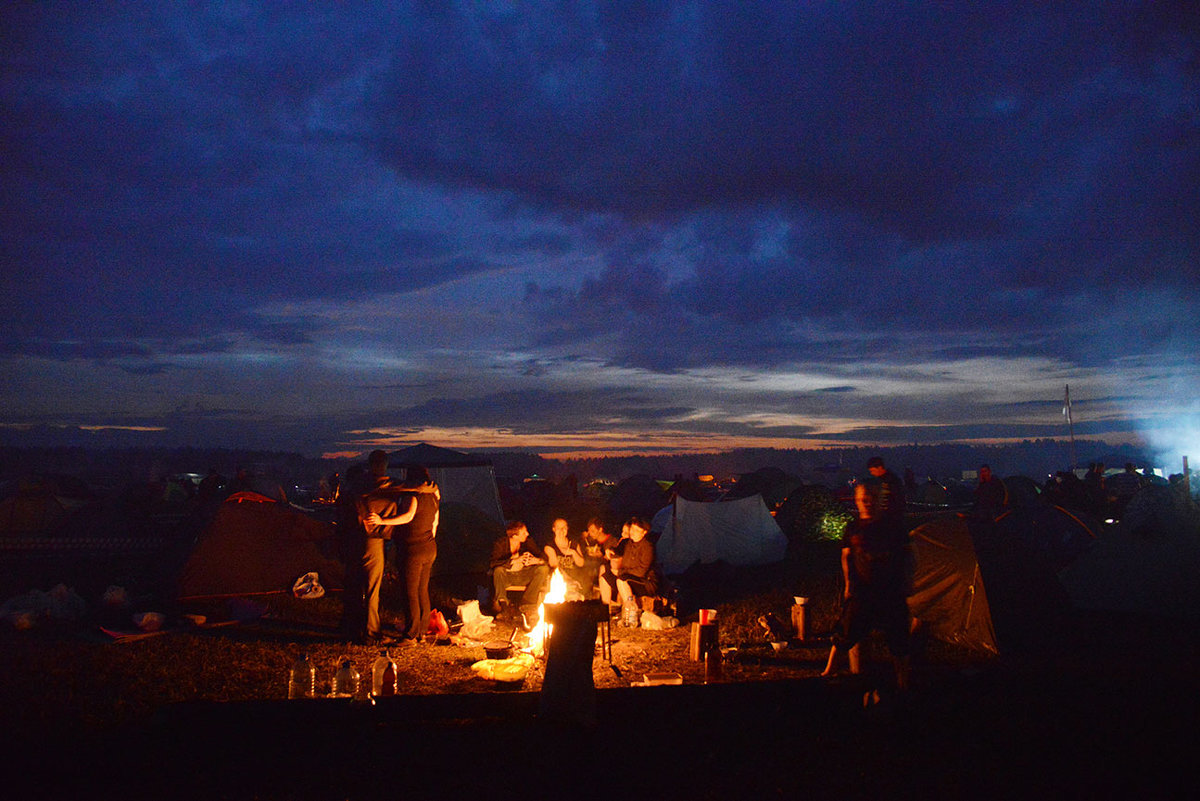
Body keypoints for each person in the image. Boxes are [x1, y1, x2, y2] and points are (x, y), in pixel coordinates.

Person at [821, 481, 911, 695]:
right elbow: (846, 556)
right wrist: (849, 584)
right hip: (863, 592)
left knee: (898, 639)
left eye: (871, 498)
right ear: (857, 500)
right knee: (846, 631)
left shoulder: (893, 527)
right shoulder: (853, 528)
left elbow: (909, 555)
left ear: (880, 500)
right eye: (862, 499)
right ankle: (828, 671)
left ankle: (904, 683)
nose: (866, 503)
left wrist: (909, 581)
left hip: (891, 591)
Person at [339, 450, 410, 644]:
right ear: (384, 465)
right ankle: (371, 633)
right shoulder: (387, 485)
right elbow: (413, 488)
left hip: (352, 541)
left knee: (353, 585)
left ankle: (350, 629)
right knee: (372, 588)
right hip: (372, 540)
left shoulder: (356, 484)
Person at [371, 465, 439, 643]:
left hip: (413, 550)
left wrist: (382, 521)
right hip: (429, 547)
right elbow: (435, 522)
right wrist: (429, 538)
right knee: (422, 590)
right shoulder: (434, 495)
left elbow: (408, 517)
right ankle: (422, 632)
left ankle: (411, 635)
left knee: (410, 592)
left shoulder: (412, 496)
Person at [489, 520, 550, 625]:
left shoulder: (528, 542)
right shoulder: (501, 544)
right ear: (514, 536)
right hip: (507, 576)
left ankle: (527, 603)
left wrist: (537, 560)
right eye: (524, 532)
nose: (527, 534)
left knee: (543, 568)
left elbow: (543, 557)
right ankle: (504, 608)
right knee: (498, 571)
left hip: (523, 575)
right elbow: (493, 563)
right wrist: (513, 561)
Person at [606, 517, 659, 615]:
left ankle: (630, 611)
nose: (632, 532)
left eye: (636, 530)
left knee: (621, 580)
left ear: (644, 532)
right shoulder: (627, 542)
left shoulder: (647, 547)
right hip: (627, 576)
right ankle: (607, 607)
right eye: (632, 529)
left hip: (645, 582)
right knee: (606, 576)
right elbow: (617, 550)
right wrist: (610, 550)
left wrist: (621, 572)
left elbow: (641, 571)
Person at [543, 517, 590, 600]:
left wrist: (573, 552)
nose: (561, 530)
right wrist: (568, 580)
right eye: (558, 528)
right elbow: (555, 567)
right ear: (554, 529)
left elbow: (581, 563)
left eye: (564, 528)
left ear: (567, 529)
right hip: (558, 578)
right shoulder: (550, 546)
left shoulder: (574, 544)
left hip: (575, 576)